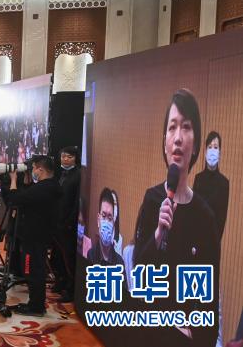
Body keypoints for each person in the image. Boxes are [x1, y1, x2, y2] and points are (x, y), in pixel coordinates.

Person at [132, 89, 219, 347]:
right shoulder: (152, 200)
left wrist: (192, 333)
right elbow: (138, 273)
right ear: (164, 142)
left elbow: (209, 301)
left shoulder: (206, 218)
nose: (178, 137)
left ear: (196, 144)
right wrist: (158, 234)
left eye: (186, 127)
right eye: (172, 128)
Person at [6, 155, 60, 317]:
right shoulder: (52, 186)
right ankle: (35, 304)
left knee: (32, 271)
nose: (32, 171)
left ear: (41, 170)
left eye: (34, 168)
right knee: (36, 270)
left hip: (34, 236)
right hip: (41, 235)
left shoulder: (43, 189)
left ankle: (36, 307)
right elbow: (29, 197)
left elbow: (15, 199)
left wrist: (13, 179)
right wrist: (26, 181)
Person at [52, 146, 81, 303]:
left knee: (68, 256)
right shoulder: (60, 173)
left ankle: (71, 289)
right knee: (57, 255)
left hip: (68, 223)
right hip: (57, 220)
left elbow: (77, 202)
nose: (65, 159)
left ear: (75, 158)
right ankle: (60, 281)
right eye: (63, 156)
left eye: (69, 157)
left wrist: (70, 221)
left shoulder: (78, 175)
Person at [192, 131, 229, 242]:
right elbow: (193, 211)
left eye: (216, 147)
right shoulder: (198, 179)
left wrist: (214, 244)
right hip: (196, 239)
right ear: (205, 152)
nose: (212, 150)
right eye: (210, 147)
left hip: (213, 241)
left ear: (219, 153)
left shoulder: (224, 183)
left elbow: (221, 220)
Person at [86, 187, 123, 266]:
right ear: (98, 220)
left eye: (110, 217)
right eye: (103, 216)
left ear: (113, 222)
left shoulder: (120, 262)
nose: (106, 222)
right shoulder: (90, 256)